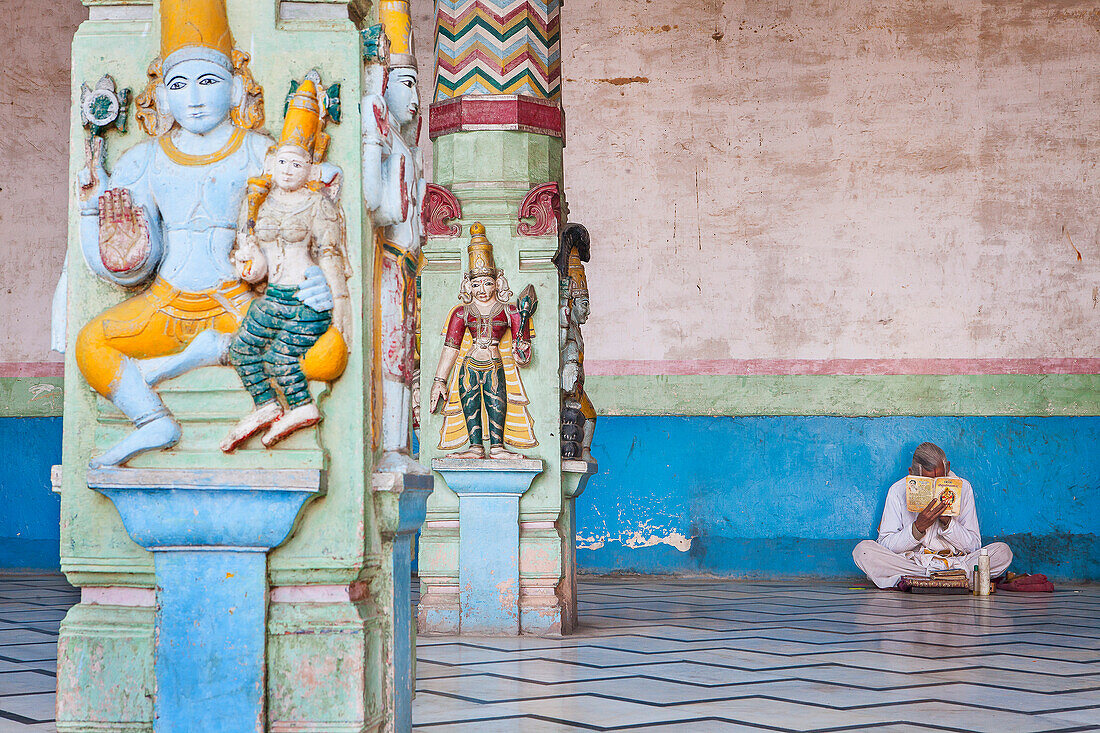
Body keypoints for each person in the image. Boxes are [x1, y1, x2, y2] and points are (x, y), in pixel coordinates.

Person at [73, 0, 339, 467]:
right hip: (167, 302)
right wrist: (95, 218)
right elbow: (119, 265)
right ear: (162, 97)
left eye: (209, 81)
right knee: (90, 344)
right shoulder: (143, 160)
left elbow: (305, 223)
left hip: (235, 302)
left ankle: (206, 353)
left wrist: (315, 279)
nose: (193, 97)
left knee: (327, 354)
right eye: (178, 84)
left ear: (237, 88)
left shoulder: (261, 153)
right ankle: (152, 418)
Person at [220, 77, 352, 451]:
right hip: (273, 294)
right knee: (242, 349)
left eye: (299, 163)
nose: (290, 169)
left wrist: (337, 305)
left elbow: (330, 255)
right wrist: (248, 263)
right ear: (272, 162)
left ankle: (301, 407)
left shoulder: (318, 205)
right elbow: (256, 258)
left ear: (311, 168)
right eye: (284, 162)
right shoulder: (259, 202)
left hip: (306, 299)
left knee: (281, 358)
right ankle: (265, 405)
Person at [428, 224, 537, 459]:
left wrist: (522, 354)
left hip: (494, 365)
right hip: (470, 364)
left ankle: (497, 447)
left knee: (496, 402)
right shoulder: (462, 312)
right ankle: (475, 447)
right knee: (471, 405)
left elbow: (524, 346)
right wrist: (439, 380)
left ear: (497, 282)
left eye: (488, 283)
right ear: (468, 284)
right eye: (476, 284)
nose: (482, 290)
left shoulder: (510, 311)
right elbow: (451, 347)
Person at [853, 442, 1013, 589]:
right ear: (911, 473)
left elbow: (974, 546)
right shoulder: (897, 490)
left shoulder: (963, 488)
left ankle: (918, 581)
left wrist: (948, 524)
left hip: (956, 563)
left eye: (941, 479)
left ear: (948, 467)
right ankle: (949, 580)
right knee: (863, 551)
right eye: (927, 482)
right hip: (915, 564)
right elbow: (886, 545)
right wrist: (917, 529)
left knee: (1003, 552)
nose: (935, 488)